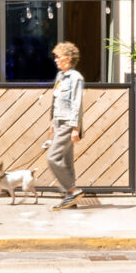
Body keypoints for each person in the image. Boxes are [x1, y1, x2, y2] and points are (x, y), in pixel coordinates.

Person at [46, 41, 88, 208]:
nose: (55, 59)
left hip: (68, 124)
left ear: (69, 58)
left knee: (53, 158)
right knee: (66, 160)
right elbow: (56, 100)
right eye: (55, 56)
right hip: (59, 122)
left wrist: (75, 128)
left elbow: (77, 103)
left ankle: (72, 190)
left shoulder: (76, 78)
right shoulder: (60, 77)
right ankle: (70, 200)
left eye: (58, 56)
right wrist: (52, 121)